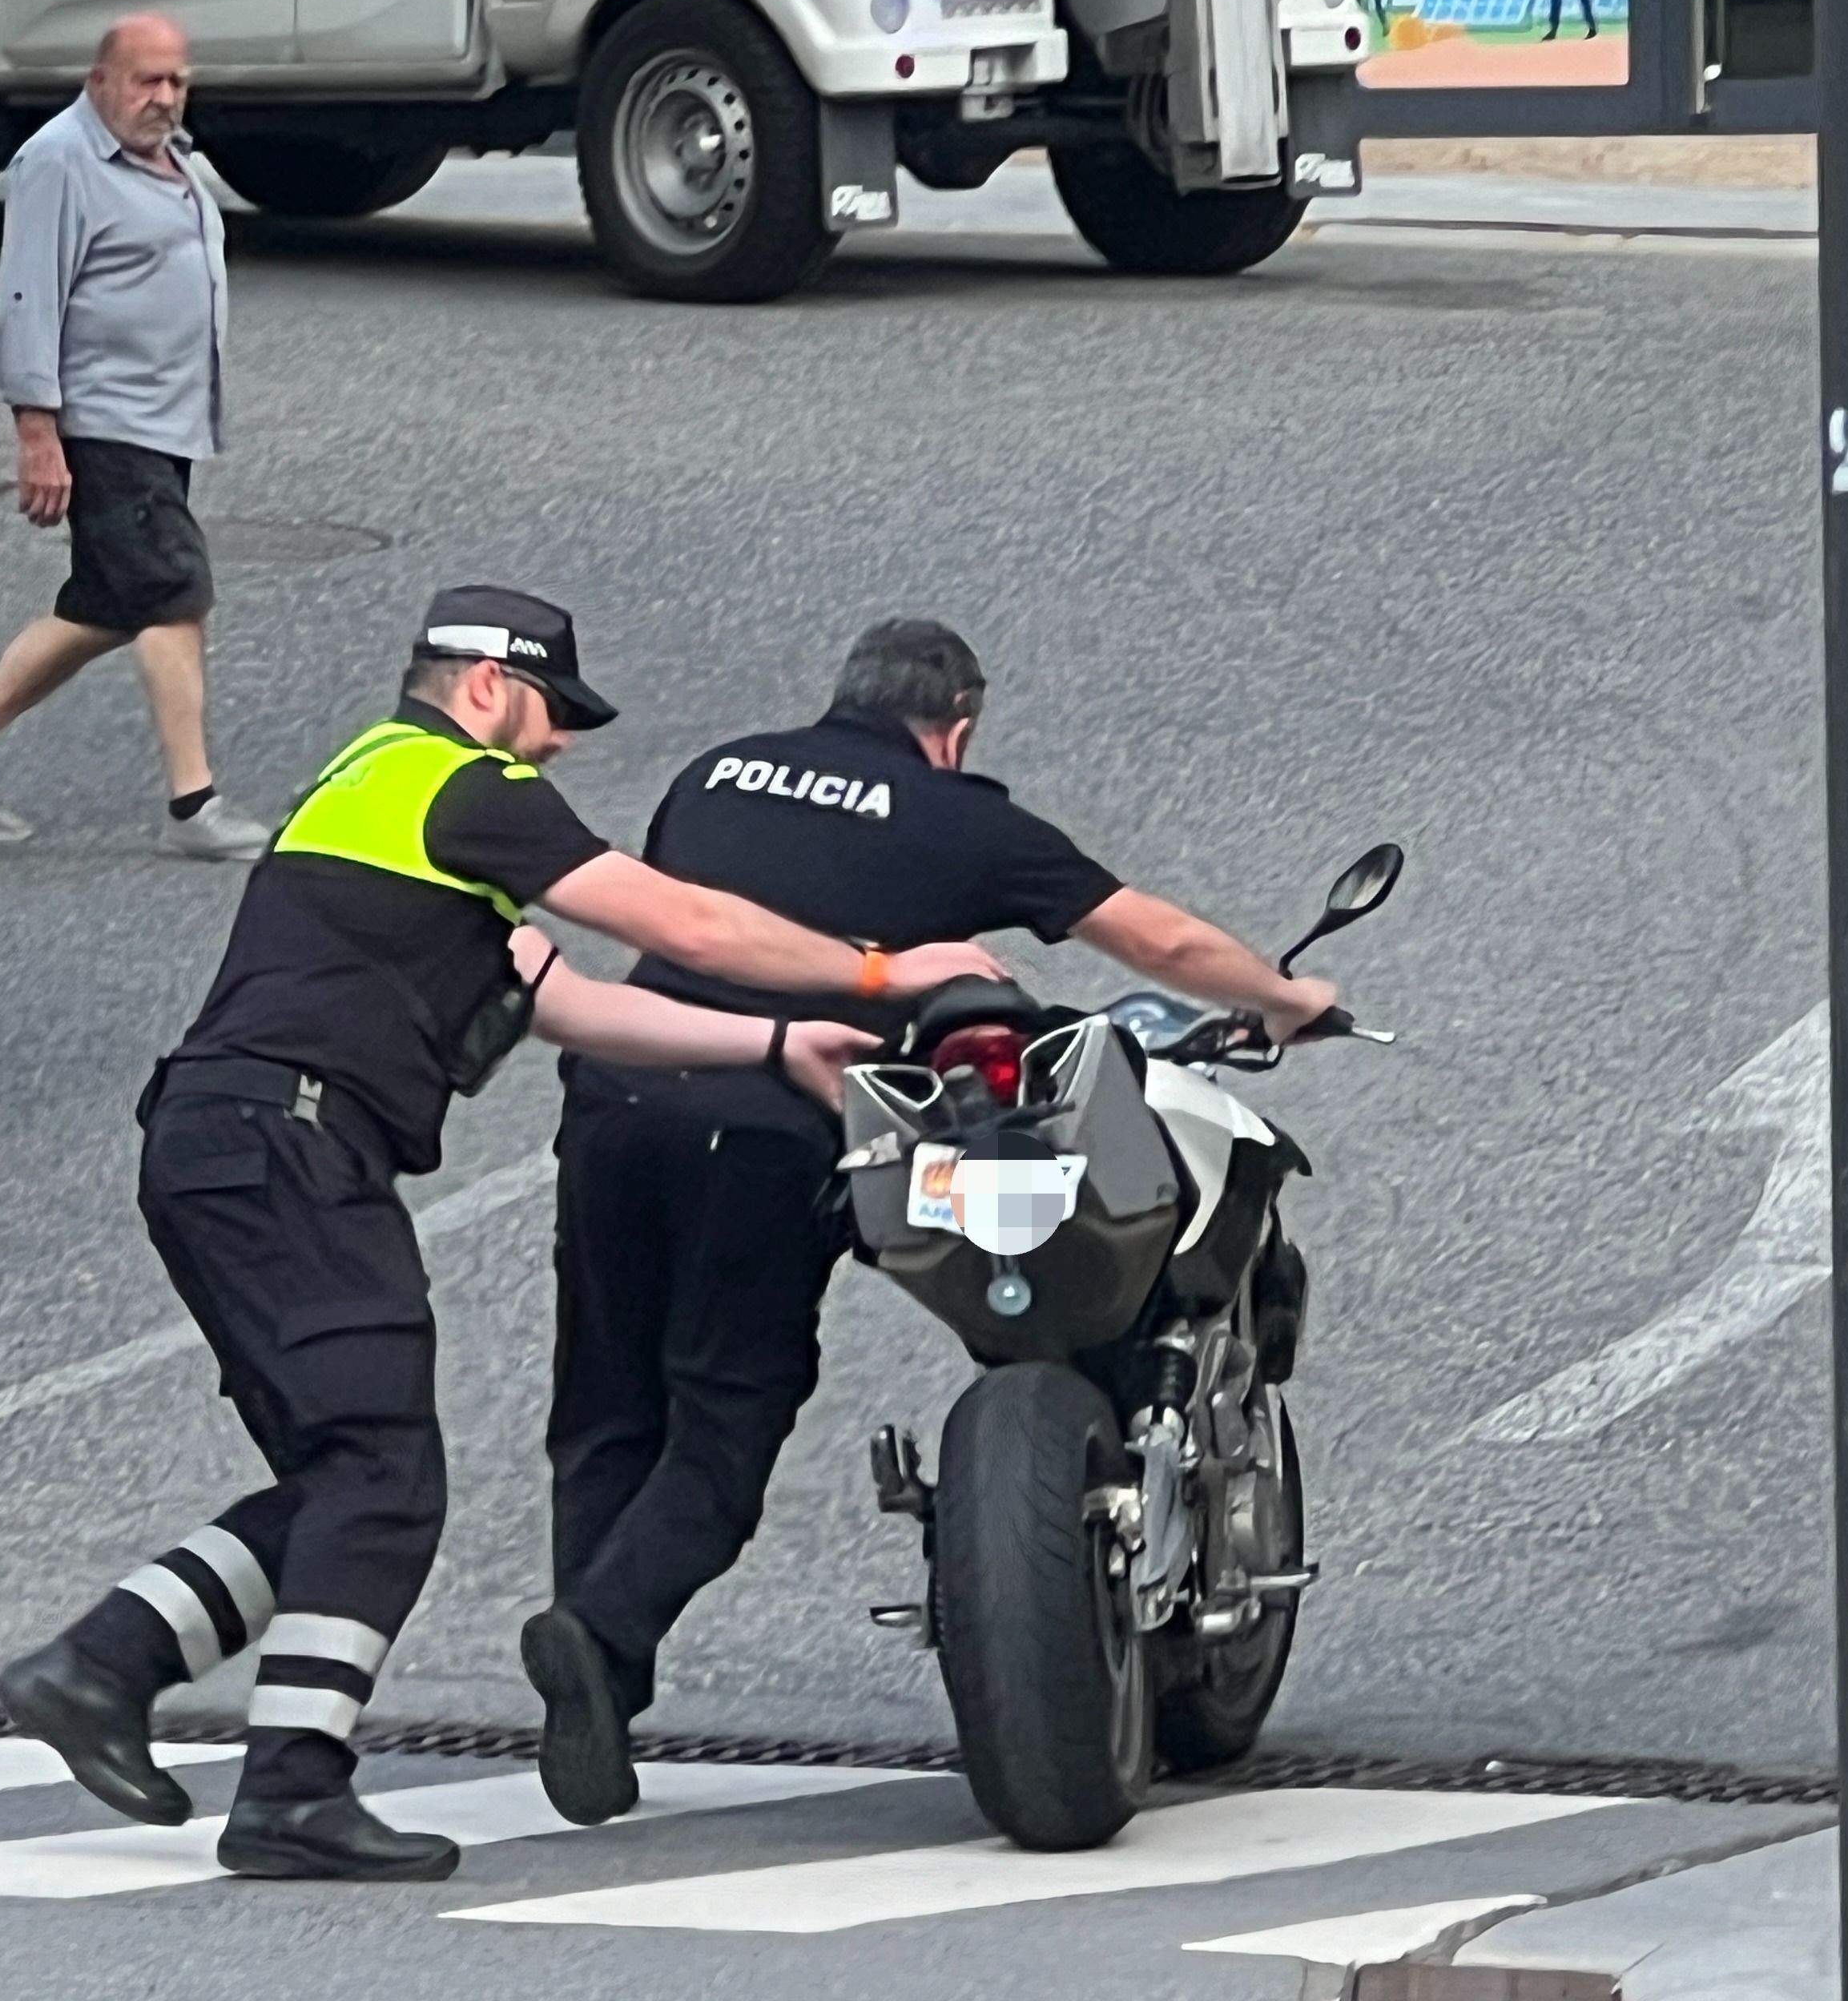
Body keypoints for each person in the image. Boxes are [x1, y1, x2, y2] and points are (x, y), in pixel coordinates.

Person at [0, 588, 1005, 1882]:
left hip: (233, 1148)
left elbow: (577, 1005)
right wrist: (877, 973)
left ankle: (128, 1681)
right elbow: (679, 921)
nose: (564, 745)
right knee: (383, 1470)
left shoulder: (387, 813)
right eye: (553, 711)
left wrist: (772, 1041)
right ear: (485, 684)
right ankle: (243, 1757)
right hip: (282, 1146)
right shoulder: (454, 780)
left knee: (345, 1473)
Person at [521, 617, 1342, 1827]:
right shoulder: (965, 820)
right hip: (765, 1124)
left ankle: (591, 1674)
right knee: (727, 1411)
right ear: (954, 729)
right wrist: (1287, 999)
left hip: (615, 1104)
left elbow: (702, 931)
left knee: (605, 1405)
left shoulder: (719, 773)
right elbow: (1154, 941)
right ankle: (600, 1631)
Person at [0, 11, 272, 860]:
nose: (165, 98)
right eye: (147, 81)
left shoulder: (165, 156)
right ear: (99, 80)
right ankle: (195, 805)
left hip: (164, 424)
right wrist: (38, 433)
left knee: (107, 605)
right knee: (174, 592)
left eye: (177, 81)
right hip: (107, 425)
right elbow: (25, 300)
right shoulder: (59, 162)